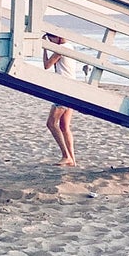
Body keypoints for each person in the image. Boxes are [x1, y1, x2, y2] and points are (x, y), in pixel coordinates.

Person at [43, 31, 76, 166]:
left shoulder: (61, 49)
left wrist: (44, 49)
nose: (51, 43)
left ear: (57, 37)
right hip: (72, 88)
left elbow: (47, 65)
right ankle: (72, 159)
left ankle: (66, 156)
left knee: (51, 123)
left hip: (63, 89)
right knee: (64, 127)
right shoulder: (70, 46)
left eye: (51, 40)